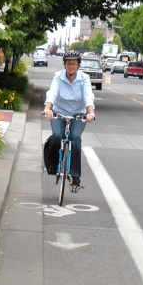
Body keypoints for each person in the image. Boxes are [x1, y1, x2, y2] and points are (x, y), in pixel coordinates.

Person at [43, 50, 95, 191]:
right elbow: (52, 93)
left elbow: (87, 96)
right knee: (57, 136)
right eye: (68, 64)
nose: (71, 66)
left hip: (78, 114)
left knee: (75, 138)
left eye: (74, 64)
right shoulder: (58, 77)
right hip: (59, 111)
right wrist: (48, 109)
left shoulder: (84, 78)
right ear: (64, 64)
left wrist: (90, 113)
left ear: (78, 65)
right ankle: (53, 165)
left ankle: (75, 177)